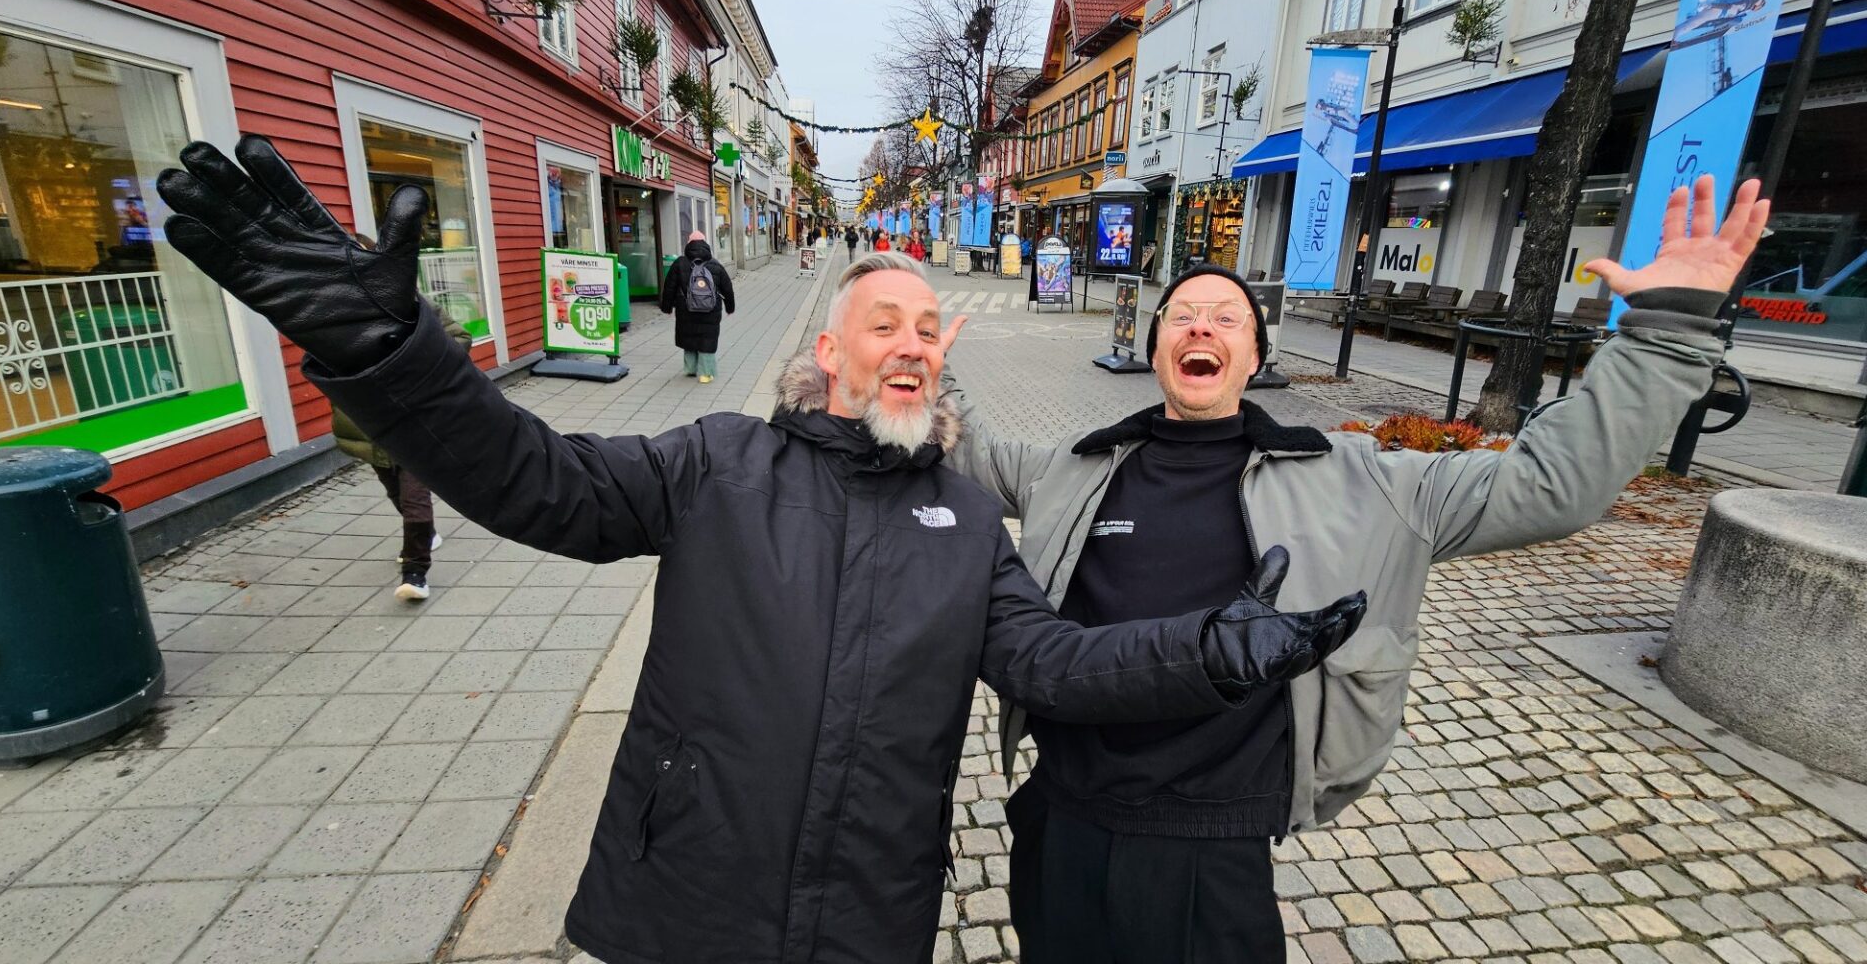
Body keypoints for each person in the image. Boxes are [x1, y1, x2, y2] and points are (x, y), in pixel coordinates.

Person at [154, 138, 1368, 964]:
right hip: (690, 894)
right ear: (829, 354)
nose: (914, 341)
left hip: (868, 914)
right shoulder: (717, 463)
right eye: (883, 322)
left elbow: (1055, 665)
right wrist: (391, 352)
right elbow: (537, 481)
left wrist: (1210, 651)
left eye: (931, 328)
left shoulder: (962, 521)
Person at [939, 175, 1771, 962]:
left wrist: (1665, 332)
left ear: (1255, 355)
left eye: (1226, 319)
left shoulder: (1367, 477)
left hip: (1211, 842)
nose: (1200, 328)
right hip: (1063, 817)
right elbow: (960, 450)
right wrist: (913, 356)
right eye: (1182, 315)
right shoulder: (1074, 467)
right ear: (1154, 344)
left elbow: (1551, 485)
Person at [331, 233, 474, 601]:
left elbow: (458, 338)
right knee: (394, 490)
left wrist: (414, 361)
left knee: (414, 497)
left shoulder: (410, 304)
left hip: (414, 420)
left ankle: (415, 571)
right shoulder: (334, 315)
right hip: (368, 425)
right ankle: (426, 534)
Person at [658, 231, 735, 383]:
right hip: (710, 310)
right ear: (705, 244)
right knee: (707, 339)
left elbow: (669, 287)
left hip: (685, 309)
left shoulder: (679, 263)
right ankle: (706, 374)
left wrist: (667, 307)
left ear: (688, 244)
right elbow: (727, 288)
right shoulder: (715, 264)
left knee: (689, 337)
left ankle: (690, 369)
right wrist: (730, 307)